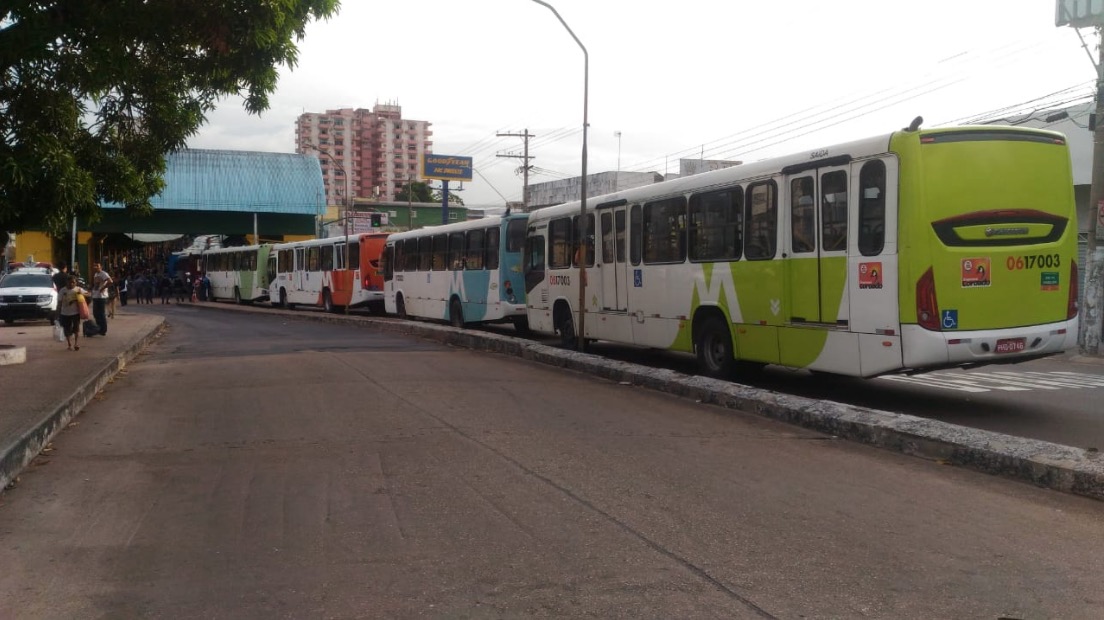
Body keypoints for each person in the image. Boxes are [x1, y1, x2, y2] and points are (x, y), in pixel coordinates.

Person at [57, 275, 89, 351]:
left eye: (73, 282)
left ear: (76, 283)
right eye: (69, 282)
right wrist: (57, 314)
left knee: (76, 329)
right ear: (66, 282)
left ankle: (76, 343)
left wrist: (81, 293)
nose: (71, 284)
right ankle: (69, 344)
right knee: (67, 330)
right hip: (65, 313)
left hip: (75, 313)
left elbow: (88, 294)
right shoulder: (62, 291)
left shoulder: (78, 289)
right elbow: (59, 303)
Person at [90, 262, 112, 336]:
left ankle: (103, 330)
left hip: (102, 296)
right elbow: (95, 285)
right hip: (96, 296)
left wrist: (103, 288)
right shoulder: (96, 275)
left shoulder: (103, 274)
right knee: (96, 313)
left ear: (101, 267)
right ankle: (99, 328)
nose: (96, 267)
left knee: (101, 314)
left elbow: (110, 281)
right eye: (95, 266)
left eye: (97, 266)